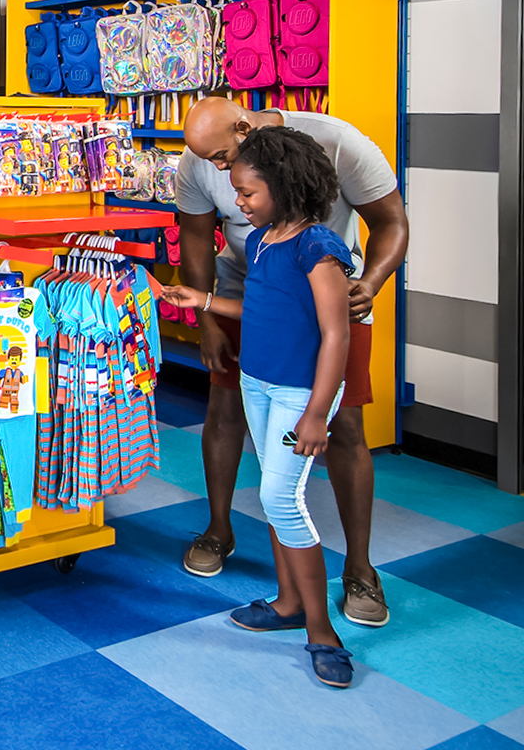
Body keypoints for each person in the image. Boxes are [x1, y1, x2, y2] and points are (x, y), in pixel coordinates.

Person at [176, 96, 407, 628]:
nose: (217, 171)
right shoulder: (205, 164)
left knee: (343, 424)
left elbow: (391, 222)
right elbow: (195, 235)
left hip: (333, 300)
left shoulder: (337, 144)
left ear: (244, 128)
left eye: (222, 159)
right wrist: (207, 316)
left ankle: (358, 570)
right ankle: (219, 530)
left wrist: (368, 285)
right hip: (249, 294)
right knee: (225, 406)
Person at [162, 126, 356, 689]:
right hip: (260, 382)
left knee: (279, 497)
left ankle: (322, 632)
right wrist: (202, 300)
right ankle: (289, 602)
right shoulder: (266, 239)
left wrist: (318, 412)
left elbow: (335, 335)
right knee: (279, 493)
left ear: (284, 185)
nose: (238, 203)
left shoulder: (318, 248)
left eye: (247, 193)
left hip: (300, 393)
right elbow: (262, 310)